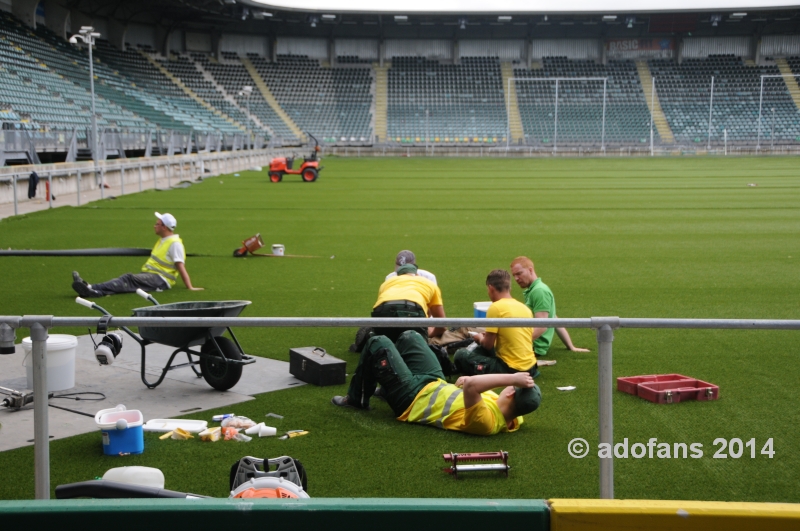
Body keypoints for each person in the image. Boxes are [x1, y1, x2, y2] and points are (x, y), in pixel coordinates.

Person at [331, 330, 541, 435]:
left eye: (511, 386)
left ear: (511, 393)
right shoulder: (513, 415)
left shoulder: (487, 423)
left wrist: (513, 377)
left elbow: (472, 388)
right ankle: (387, 389)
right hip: (434, 383)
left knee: (378, 343)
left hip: (412, 400)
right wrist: (469, 379)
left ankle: (356, 399)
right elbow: (473, 386)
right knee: (410, 336)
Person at [71, 212, 203, 298]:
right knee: (128, 283)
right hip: (154, 277)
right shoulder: (164, 240)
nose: (154, 226)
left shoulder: (174, 244)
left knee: (128, 279)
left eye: (157, 224)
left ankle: (92, 288)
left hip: (160, 280)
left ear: (164, 227)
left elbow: (181, 266)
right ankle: (95, 291)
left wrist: (190, 287)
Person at [454, 269, 539, 378]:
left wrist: (480, 337)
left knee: (461, 355)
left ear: (491, 288)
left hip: (511, 369)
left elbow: (488, 345)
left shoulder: (496, 307)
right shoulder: (524, 308)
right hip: (531, 367)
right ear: (509, 288)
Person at [510, 256, 589, 358]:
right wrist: (571, 346)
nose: (516, 278)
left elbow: (542, 326)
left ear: (530, 270)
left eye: (519, 273)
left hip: (534, 348)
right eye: (514, 275)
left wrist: (518, 343)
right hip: (532, 345)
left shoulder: (539, 291)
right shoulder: (534, 290)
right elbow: (554, 319)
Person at [370, 260, 446, 343]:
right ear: (416, 274)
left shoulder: (386, 283)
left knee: (386, 342)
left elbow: (381, 304)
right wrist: (430, 333)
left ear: (398, 275)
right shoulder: (429, 283)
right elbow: (441, 325)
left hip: (382, 311)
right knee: (416, 345)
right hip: (412, 310)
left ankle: (374, 337)